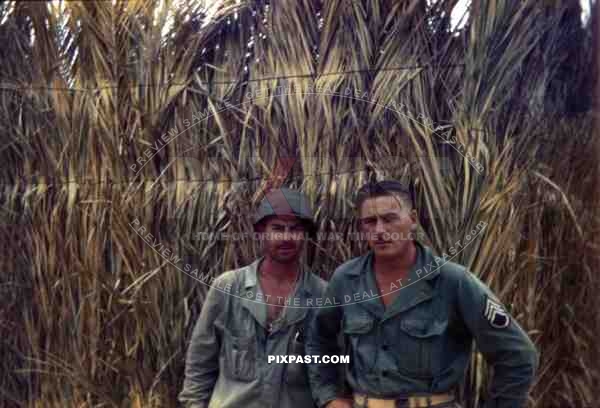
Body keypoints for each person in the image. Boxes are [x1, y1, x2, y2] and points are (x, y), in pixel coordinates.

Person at [306, 180, 538, 408]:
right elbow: (318, 341)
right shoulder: (346, 280)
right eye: (370, 222)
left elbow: (518, 356)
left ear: (413, 220)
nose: (379, 230)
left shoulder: (452, 281)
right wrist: (329, 397)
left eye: (389, 219)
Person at [178, 187, 326, 408]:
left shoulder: (322, 295)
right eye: (277, 228)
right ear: (260, 232)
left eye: (295, 229)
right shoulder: (227, 288)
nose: (286, 237)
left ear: (305, 235)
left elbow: (330, 372)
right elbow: (200, 364)